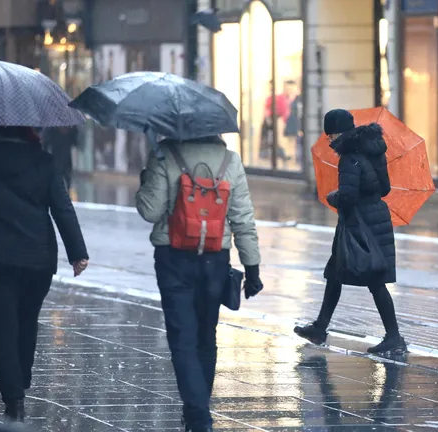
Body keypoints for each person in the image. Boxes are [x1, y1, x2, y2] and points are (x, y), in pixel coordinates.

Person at [0, 126, 89, 423]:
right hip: (37, 257)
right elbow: (62, 208)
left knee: (0, 327)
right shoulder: (44, 161)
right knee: (26, 320)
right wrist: (77, 253)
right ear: (30, 131)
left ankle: (14, 399)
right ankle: (21, 378)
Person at [136, 135, 263, 432]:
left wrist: (145, 180)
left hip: (173, 258)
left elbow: (150, 211)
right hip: (215, 259)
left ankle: (199, 417)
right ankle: (198, 411)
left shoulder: (165, 155)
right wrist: (252, 267)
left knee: (183, 340)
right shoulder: (230, 160)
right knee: (206, 337)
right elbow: (243, 217)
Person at [294, 109, 405, 355]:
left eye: (329, 135)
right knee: (335, 273)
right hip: (375, 217)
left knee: (375, 279)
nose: (329, 141)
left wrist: (332, 197)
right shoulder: (374, 150)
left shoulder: (349, 158)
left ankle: (394, 337)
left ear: (336, 133)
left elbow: (348, 196)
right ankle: (319, 327)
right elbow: (385, 188)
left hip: (359, 223)